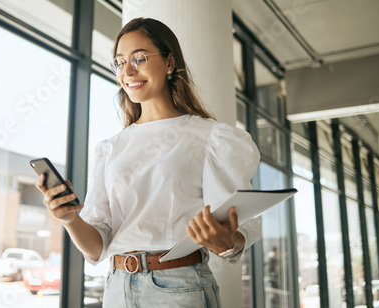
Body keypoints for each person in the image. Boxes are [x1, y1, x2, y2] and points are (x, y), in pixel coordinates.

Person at [36, 17, 261, 308]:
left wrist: (227, 242)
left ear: (169, 62)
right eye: (119, 62)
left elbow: (242, 226)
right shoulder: (110, 148)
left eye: (139, 58)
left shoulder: (212, 138)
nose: (127, 71)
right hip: (117, 287)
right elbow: (97, 246)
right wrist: (68, 219)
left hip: (180, 286)